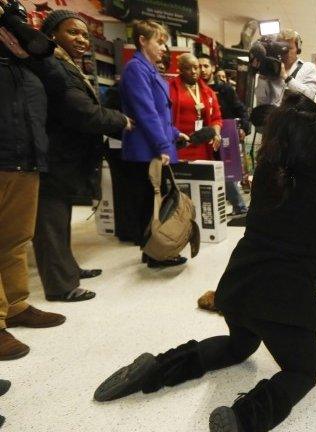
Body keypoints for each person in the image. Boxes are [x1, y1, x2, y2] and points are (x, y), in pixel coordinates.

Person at [93, 91, 316, 432]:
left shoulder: (269, 168)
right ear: (315, 139)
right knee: (303, 372)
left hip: (239, 286)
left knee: (239, 346)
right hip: (284, 299)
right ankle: (244, 418)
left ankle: (157, 367)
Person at [28, 10, 131, 302]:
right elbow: (80, 111)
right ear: (51, 36)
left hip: (63, 157)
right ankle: (61, 285)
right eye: (73, 32)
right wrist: (120, 120)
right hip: (52, 156)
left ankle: (68, 268)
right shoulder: (51, 64)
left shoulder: (64, 63)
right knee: (50, 222)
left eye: (85, 34)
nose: (82, 39)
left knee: (59, 219)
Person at [0, 0, 66, 361]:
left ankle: (16, 305)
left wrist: (26, 48)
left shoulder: (24, 61)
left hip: (26, 158)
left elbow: (56, 81)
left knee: (14, 239)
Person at [119, 20, 189, 268]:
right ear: (142, 40)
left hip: (155, 145)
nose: (163, 48)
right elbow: (145, 111)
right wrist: (162, 145)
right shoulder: (135, 69)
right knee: (151, 204)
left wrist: (175, 132)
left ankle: (156, 251)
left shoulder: (148, 69)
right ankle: (155, 253)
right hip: (146, 149)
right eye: (159, 41)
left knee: (156, 203)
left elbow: (160, 113)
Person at [199, 54, 250, 215]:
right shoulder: (195, 89)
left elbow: (240, 108)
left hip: (224, 134)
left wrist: (243, 127)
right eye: (199, 66)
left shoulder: (225, 89)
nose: (202, 70)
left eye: (205, 66)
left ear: (213, 68)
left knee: (226, 170)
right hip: (202, 137)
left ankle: (239, 205)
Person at [169, 53, 222, 161]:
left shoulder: (208, 92)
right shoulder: (170, 88)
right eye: (188, 68)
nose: (193, 71)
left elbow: (216, 118)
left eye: (196, 67)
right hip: (179, 145)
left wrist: (216, 133)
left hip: (201, 146)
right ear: (180, 70)